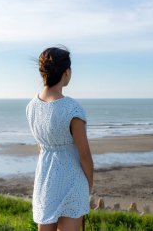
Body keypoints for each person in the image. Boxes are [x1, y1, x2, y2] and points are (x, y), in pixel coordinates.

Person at [26, 46, 94, 231]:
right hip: (73, 181)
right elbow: (85, 156)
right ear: (66, 72)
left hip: (45, 179)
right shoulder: (72, 108)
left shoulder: (31, 106)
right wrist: (88, 185)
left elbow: (41, 146)